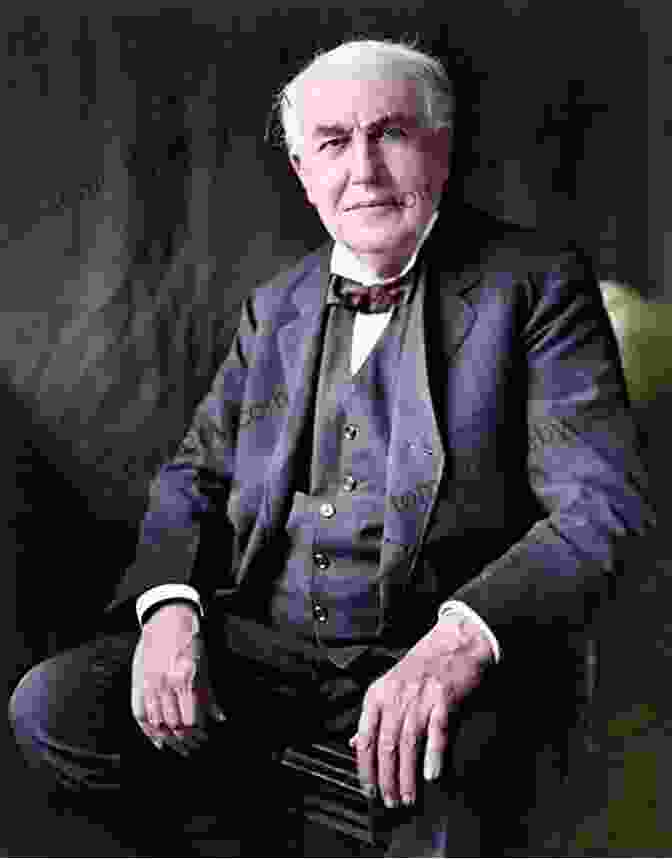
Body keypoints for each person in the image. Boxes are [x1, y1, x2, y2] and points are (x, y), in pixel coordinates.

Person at [9, 38, 655, 856]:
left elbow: (604, 503)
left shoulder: (534, 284)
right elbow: (195, 473)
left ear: (441, 149)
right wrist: (170, 606)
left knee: (466, 801)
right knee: (52, 706)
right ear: (305, 175)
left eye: (390, 133)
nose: (365, 170)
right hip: (267, 645)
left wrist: (459, 639)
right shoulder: (274, 307)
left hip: (436, 652)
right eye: (333, 143)